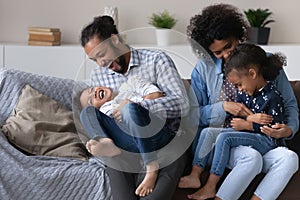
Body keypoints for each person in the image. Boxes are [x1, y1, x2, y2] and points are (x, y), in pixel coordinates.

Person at [182, 3, 299, 200]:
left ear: (238, 36)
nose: (226, 55)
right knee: (250, 158)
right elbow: (191, 115)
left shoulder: (263, 61)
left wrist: (288, 129)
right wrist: (222, 107)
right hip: (223, 146)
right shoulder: (204, 70)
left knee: (290, 158)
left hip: (262, 140)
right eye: (218, 53)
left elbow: (289, 105)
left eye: (228, 46)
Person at [79, 15, 189, 199]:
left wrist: (138, 105)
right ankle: (106, 142)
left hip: (162, 140)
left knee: (129, 110)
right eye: (94, 60)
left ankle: (151, 166)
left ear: (114, 40)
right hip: (123, 147)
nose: (100, 64)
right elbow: (99, 115)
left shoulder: (156, 60)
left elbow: (182, 105)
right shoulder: (100, 76)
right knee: (87, 112)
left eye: (101, 55)